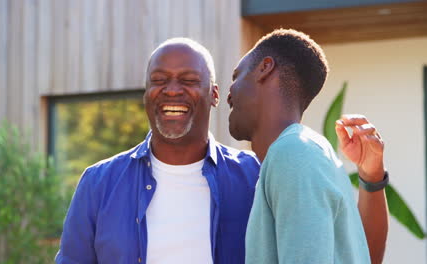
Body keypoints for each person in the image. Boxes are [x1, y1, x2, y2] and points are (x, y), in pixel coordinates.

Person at [55, 37, 387, 264]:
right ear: (146, 93)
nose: (171, 90)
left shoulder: (257, 174)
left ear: (214, 94)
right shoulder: (98, 184)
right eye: (158, 80)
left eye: (187, 80)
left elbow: (354, 249)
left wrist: (372, 179)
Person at [227, 29, 388, 264]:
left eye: (235, 77)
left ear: (265, 68)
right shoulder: (312, 151)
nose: (228, 94)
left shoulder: (293, 153)